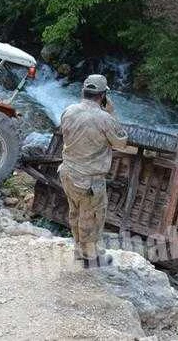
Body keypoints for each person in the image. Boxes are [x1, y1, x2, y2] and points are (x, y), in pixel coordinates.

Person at [58, 74, 128, 268]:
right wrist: (112, 113)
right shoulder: (105, 119)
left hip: (67, 173)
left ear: (84, 91)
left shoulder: (68, 111)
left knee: (75, 213)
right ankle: (90, 258)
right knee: (92, 217)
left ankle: (79, 251)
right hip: (89, 180)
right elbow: (121, 142)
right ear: (103, 95)